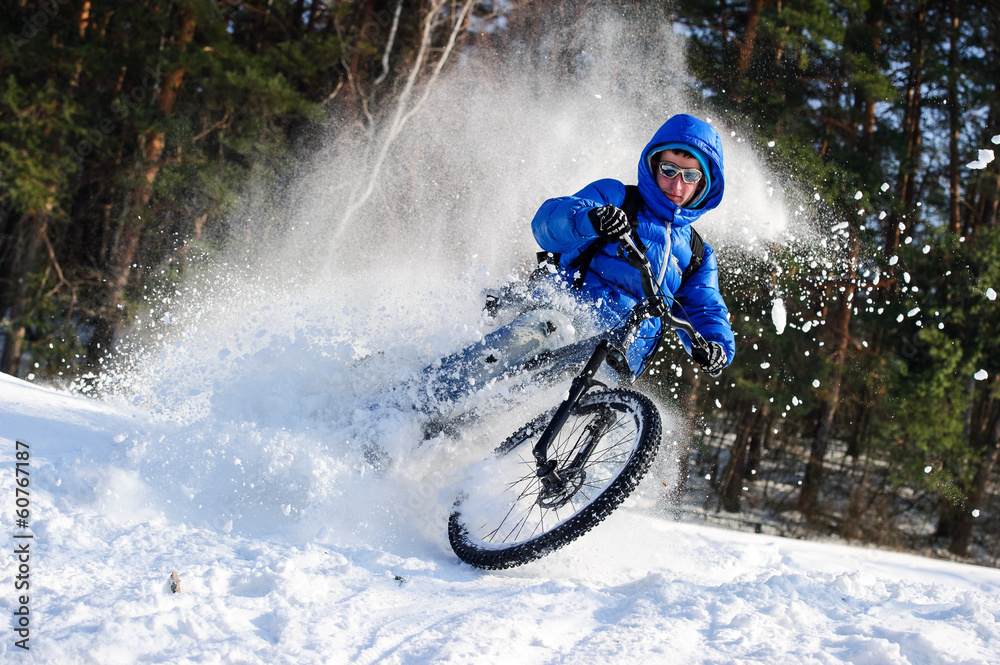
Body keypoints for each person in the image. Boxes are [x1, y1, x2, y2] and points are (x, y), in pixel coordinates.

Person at [530, 113, 735, 378]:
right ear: (654, 164)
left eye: (690, 175)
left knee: (620, 416)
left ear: (703, 183)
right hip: (562, 319)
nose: (677, 184)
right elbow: (546, 225)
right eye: (669, 170)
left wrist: (716, 346)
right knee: (532, 335)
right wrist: (591, 219)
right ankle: (462, 382)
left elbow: (705, 307)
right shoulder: (617, 199)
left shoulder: (697, 254)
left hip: (615, 361)